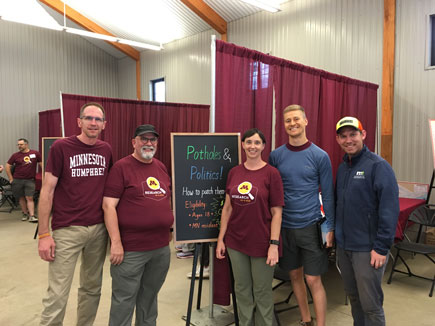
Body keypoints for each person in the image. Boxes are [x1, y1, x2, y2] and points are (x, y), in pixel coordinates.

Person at [37, 102, 113, 326]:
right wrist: (44, 234)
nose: (93, 123)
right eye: (88, 118)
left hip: (98, 230)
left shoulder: (106, 150)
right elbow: (47, 191)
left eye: (98, 119)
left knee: (91, 289)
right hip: (67, 229)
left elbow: (110, 191)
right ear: (79, 121)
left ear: (104, 124)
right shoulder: (61, 147)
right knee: (58, 292)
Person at [269, 104, 335, 326]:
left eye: (296, 119)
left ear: (305, 121)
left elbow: (328, 195)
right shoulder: (276, 156)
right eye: (288, 120)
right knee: (295, 276)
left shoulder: (320, 156)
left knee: (313, 278)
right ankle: (306, 320)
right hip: (285, 228)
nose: (292, 124)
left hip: (311, 227)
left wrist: (330, 228)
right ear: (284, 125)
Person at [102, 124, 174, 326]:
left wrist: (168, 227)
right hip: (131, 249)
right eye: (144, 139)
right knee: (124, 300)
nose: (148, 143)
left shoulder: (160, 167)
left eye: (153, 140)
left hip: (159, 249)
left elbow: (166, 199)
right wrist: (116, 242)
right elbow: (108, 206)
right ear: (134, 142)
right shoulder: (121, 168)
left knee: (149, 298)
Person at [335, 116, 399, 326]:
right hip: (345, 247)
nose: (348, 140)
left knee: (371, 306)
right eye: (343, 136)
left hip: (367, 249)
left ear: (363, 135)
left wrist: (381, 247)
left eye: (353, 134)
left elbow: (389, 210)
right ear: (338, 140)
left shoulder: (378, 166)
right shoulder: (343, 167)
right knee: (354, 299)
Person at [216, 128, 284, 326]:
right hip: (236, 242)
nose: (252, 146)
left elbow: (277, 212)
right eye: (249, 142)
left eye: (257, 143)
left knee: (262, 292)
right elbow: (227, 208)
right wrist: (221, 238)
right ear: (243, 145)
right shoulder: (234, 172)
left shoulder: (272, 174)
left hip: (262, 243)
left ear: (263, 146)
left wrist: (273, 244)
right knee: (242, 290)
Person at [6, 138, 41, 222]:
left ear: (26, 144)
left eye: (21, 144)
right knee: (21, 198)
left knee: (29, 197)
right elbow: (7, 166)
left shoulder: (35, 153)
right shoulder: (15, 155)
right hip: (17, 180)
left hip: (30, 180)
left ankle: (32, 215)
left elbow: (41, 164)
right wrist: (11, 178)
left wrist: (46, 174)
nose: (19, 146)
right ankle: (25, 213)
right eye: (18, 145)